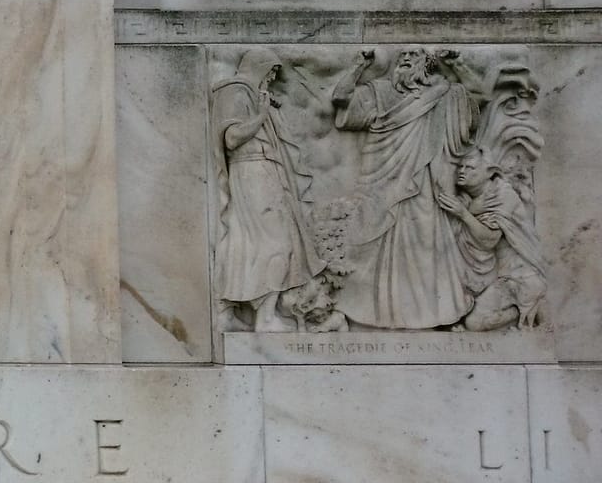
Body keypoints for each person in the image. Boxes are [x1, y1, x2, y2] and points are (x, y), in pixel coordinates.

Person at [329, 47, 476, 329]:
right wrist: (359, 66)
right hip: (380, 187)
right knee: (377, 250)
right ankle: (379, 315)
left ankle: (431, 316)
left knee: (424, 248)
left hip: (423, 188)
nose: (406, 58)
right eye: (402, 56)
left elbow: (476, 103)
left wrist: (459, 66)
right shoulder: (381, 92)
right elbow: (341, 98)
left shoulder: (443, 94)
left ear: (426, 64)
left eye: (414, 54)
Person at [212, 49, 321, 330]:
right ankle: (265, 317)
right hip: (252, 169)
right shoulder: (236, 91)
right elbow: (232, 138)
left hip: (264, 170)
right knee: (277, 242)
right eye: (271, 71)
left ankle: (232, 310)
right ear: (258, 67)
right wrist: (261, 113)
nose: (272, 78)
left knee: (253, 241)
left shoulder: (251, 93)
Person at [445, 152, 547, 332]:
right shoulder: (469, 198)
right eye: (461, 166)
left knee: (474, 323)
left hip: (517, 276)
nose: (462, 171)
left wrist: (463, 214)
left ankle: (523, 311)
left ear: (490, 172)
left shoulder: (502, 195)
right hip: (489, 273)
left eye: (470, 168)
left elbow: (488, 240)